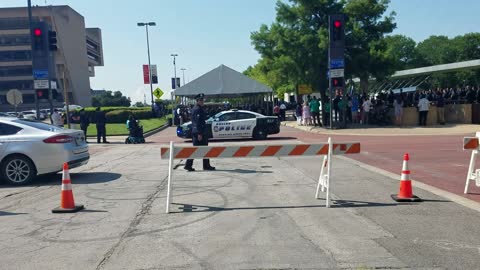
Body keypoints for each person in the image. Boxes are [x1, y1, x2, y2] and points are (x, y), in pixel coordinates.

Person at [185, 93, 215, 172]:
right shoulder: (197, 109)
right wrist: (199, 134)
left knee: (203, 149)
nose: (202, 101)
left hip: (199, 132)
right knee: (197, 150)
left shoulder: (196, 108)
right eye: (201, 100)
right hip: (199, 133)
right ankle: (189, 165)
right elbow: (197, 122)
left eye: (203, 100)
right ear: (197, 101)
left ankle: (205, 165)